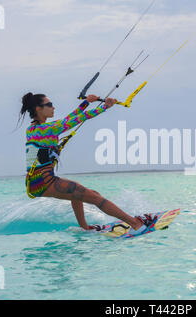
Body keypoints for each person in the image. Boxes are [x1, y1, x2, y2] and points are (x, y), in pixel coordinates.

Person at [19, 92, 152, 235]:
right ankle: (136, 224)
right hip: (44, 181)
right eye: (49, 105)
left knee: (86, 194)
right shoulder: (48, 129)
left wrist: (87, 102)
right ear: (38, 108)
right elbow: (79, 118)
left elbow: (69, 119)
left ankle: (84, 228)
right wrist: (105, 107)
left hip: (36, 182)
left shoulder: (33, 129)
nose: (53, 107)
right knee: (95, 198)